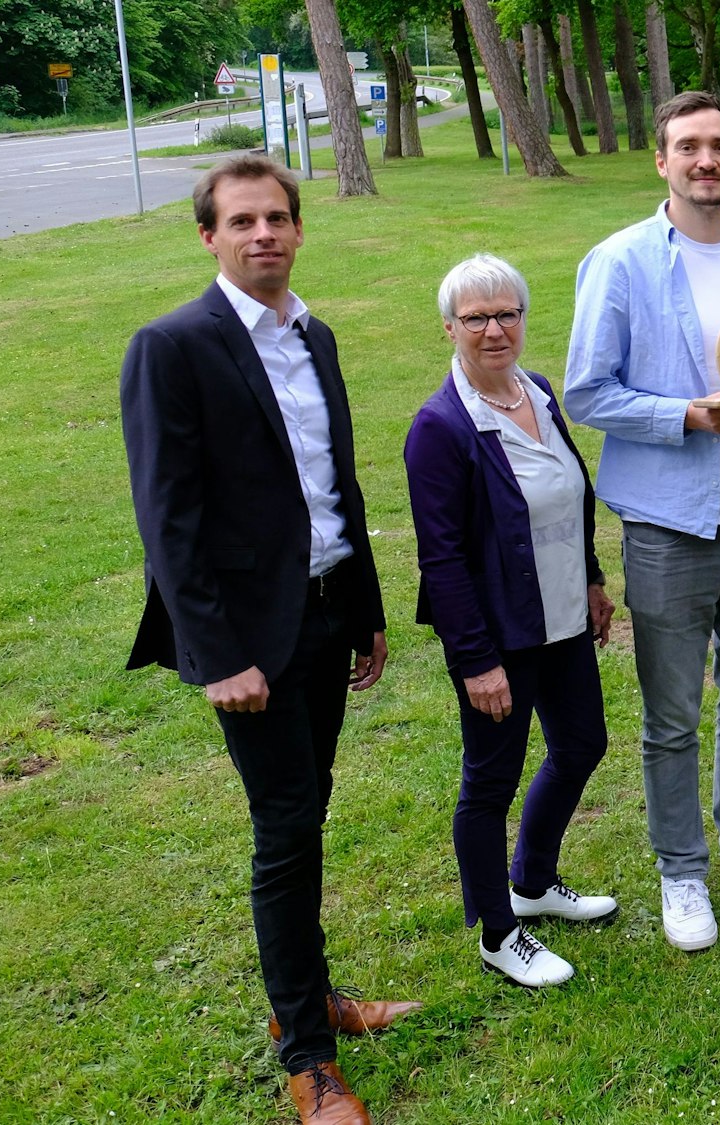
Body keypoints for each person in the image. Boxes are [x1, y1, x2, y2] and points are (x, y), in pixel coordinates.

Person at [120, 155, 416, 1125]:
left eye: (277, 218)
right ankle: (309, 1058)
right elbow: (168, 522)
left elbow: (335, 482)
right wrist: (215, 657)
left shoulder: (313, 334)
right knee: (286, 826)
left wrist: (365, 607)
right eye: (242, 221)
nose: (263, 235)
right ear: (208, 235)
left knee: (307, 809)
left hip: (325, 612)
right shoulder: (172, 346)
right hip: (250, 641)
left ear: (297, 228)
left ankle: (314, 994)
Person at [565, 90, 720, 951]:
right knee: (671, 715)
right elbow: (588, 391)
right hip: (673, 526)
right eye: (689, 146)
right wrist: (684, 415)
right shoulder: (621, 261)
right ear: (662, 160)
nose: (707, 159)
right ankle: (682, 869)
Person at [404, 254, 621, 988]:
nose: (495, 329)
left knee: (582, 744)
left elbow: (567, 496)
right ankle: (499, 934)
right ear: (449, 328)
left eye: (507, 314)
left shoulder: (540, 392)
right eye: (476, 317)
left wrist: (592, 578)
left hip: (564, 618)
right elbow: (441, 559)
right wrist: (476, 661)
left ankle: (531, 880)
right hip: (499, 636)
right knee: (489, 783)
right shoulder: (440, 427)